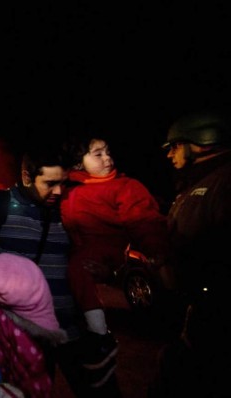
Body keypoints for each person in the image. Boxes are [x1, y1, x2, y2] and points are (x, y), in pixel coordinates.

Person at [0, 146, 123, 397]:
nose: (59, 191)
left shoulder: (71, 208)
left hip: (72, 332)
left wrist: (106, 270)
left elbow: (101, 247)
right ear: (26, 177)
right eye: (50, 183)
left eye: (63, 183)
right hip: (20, 337)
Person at [60, 135, 169, 373]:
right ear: (79, 163)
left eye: (107, 152)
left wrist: (155, 248)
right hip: (80, 247)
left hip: (109, 248)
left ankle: (100, 334)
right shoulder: (68, 188)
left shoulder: (125, 186)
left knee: (78, 269)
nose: (107, 158)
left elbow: (144, 220)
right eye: (98, 154)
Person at [149, 110, 231, 397]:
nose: (170, 155)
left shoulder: (223, 182)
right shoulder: (198, 183)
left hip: (215, 317)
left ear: (199, 142)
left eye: (174, 146)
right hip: (194, 313)